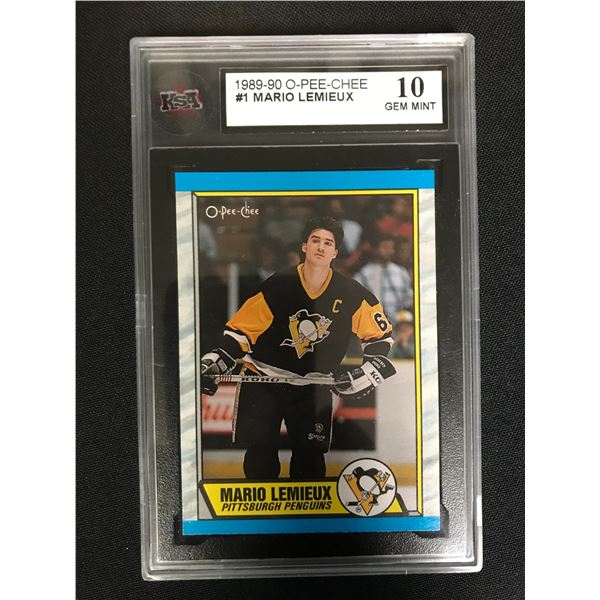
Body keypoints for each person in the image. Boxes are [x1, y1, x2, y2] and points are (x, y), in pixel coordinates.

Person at [200, 217, 396, 480]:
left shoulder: (351, 293)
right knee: (259, 457)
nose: (321, 247)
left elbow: (379, 337)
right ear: (304, 246)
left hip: (313, 387)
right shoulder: (278, 285)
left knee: (310, 461)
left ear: (335, 252)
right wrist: (218, 359)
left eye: (328, 243)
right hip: (263, 380)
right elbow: (241, 331)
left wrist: (370, 369)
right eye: (315, 240)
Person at [353, 234, 413, 326]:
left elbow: (409, 299)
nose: (390, 251)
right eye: (385, 247)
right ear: (375, 249)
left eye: (392, 247)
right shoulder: (362, 275)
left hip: (401, 324)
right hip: (374, 325)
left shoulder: (401, 272)